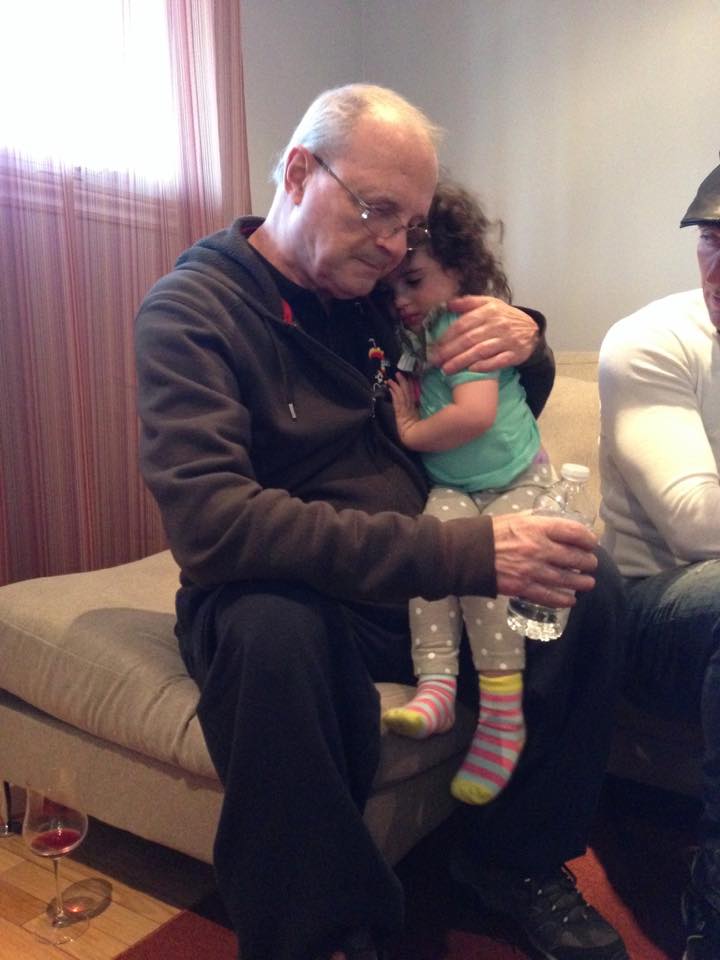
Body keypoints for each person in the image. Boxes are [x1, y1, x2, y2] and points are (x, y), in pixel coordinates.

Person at [135, 83, 628, 960]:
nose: (396, 244)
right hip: (299, 593)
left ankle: (512, 860)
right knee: (269, 632)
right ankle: (323, 934)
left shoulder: (373, 293)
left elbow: (488, 394)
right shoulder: (192, 313)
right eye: (377, 211)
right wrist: (463, 552)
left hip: (413, 587)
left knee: (588, 583)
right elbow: (213, 524)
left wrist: (526, 340)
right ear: (298, 173)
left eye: (412, 223)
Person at [381, 179, 557, 808]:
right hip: (457, 484)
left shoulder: (467, 327)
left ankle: (503, 716)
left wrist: (409, 430)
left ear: (458, 271)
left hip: (517, 480)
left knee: (487, 564)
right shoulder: (415, 334)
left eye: (414, 280)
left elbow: (474, 416)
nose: (401, 299)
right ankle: (436, 685)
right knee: (430, 548)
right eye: (392, 286)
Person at [599, 157, 720, 960]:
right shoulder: (653, 341)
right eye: (712, 240)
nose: (719, 269)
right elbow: (695, 525)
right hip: (648, 610)